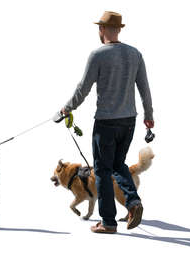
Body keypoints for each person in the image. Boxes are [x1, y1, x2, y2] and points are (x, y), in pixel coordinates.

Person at [60, 11, 154, 234]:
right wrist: (148, 116)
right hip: (129, 121)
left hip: (106, 122)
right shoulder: (135, 54)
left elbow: (83, 89)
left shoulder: (98, 55)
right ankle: (133, 202)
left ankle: (108, 222)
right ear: (119, 29)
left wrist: (66, 109)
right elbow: (144, 89)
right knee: (118, 164)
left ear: (101, 29)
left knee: (102, 171)